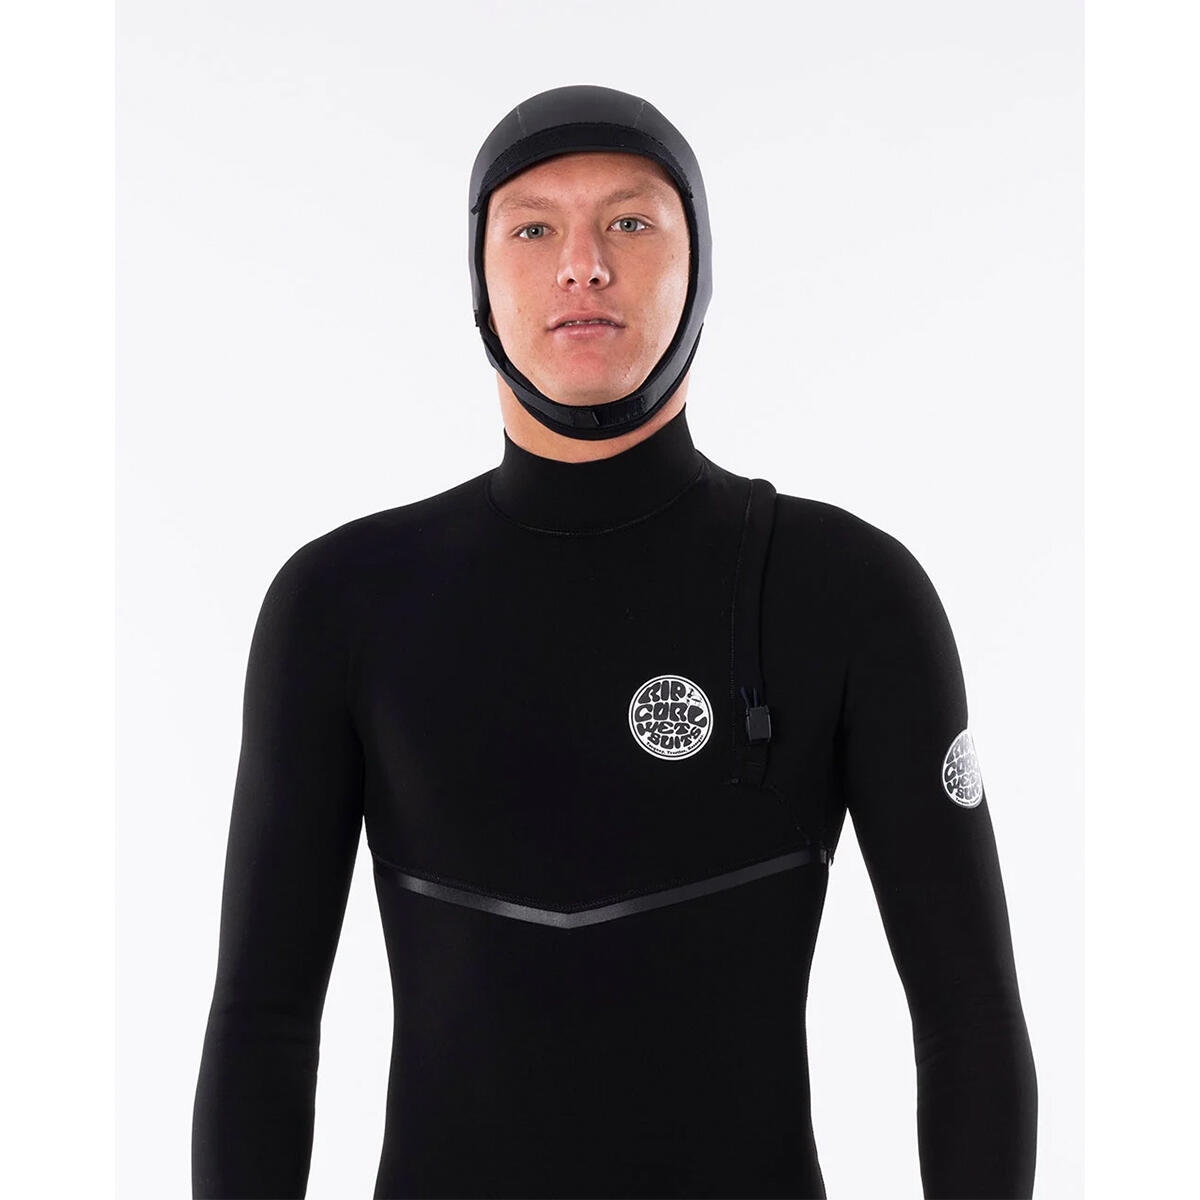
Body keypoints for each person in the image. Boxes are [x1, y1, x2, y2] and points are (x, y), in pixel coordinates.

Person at [192, 84, 1038, 1199]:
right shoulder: (342, 602)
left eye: (630, 222)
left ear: (700, 264)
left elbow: (969, 1015)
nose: (583, 265)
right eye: (533, 228)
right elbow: (261, 1019)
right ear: (480, 278)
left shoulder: (848, 592)